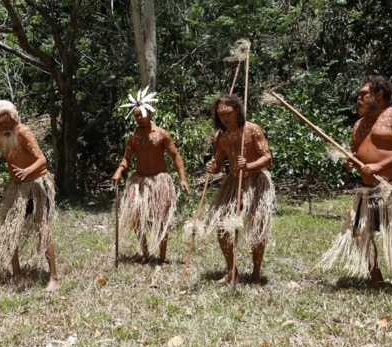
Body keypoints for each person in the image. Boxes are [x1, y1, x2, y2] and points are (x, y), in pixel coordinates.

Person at [318, 75, 392, 292]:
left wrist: (381, 166)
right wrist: (352, 161)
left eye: (363, 94)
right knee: (361, 232)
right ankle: (375, 277)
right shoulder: (359, 124)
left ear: (378, 95)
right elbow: (357, 152)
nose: (358, 99)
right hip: (367, 188)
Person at [0, 100, 59, 291]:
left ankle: (53, 276)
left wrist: (27, 171)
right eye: (0, 124)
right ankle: (16, 273)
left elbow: (42, 160)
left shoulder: (23, 131)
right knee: (10, 228)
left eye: (8, 123)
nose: (5, 127)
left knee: (42, 228)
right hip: (17, 188)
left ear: (14, 119)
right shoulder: (3, 135)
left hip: (37, 185)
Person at [112, 86, 190, 264]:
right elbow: (126, 158)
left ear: (151, 114)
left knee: (161, 219)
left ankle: (162, 258)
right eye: (136, 115)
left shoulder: (162, 134)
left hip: (160, 180)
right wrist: (119, 170)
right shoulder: (133, 137)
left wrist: (182, 179)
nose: (139, 118)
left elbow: (176, 156)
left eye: (142, 114)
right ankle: (145, 252)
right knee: (136, 217)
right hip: (139, 181)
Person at [203, 93, 275, 284]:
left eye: (228, 113)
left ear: (238, 110)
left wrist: (249, 165)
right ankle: (232, 270)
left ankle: (256, 271)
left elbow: (267, 157)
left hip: (256, 181)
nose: (224, 118)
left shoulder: (251, 129)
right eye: (220, 114)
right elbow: (217, 164)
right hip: (234, 182)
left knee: (257, 228)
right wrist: (212, 167)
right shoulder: (220, 135)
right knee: (222, 227)